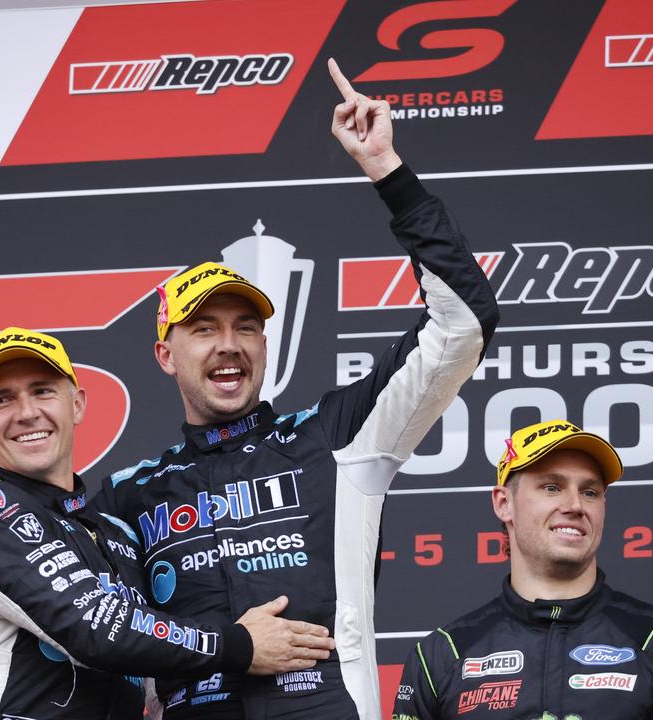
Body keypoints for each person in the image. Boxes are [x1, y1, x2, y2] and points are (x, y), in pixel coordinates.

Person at [78, 58, 500, 719]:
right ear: (166, 355)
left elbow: (463, 323)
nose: (229, 343)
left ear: (265, 344)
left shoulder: (336, 437)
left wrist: (388, 172)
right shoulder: (128, 496)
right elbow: (89, 626)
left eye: (247, 325)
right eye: (204, 328)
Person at [0, 328, 336, 719]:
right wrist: (241, 644)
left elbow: (147, 655)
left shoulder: (115, 531)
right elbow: (95, 625)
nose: (26, 412)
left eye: (42, 391)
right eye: (2, 400)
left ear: (77, 404)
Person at [393, 420, 653, 720]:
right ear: (503, 503)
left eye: (590, 491)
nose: (574, 506)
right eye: (551, 487)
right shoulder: (443, 654)